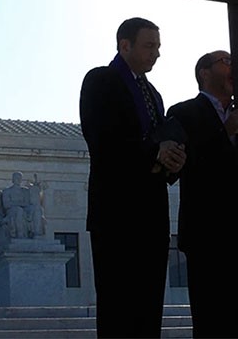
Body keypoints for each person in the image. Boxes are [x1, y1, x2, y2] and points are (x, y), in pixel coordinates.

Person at [79, 17, 185, 338]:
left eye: (158, 47)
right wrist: (155, 152)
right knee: (117, 308)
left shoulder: (153, 94)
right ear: (125, 45)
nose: (157, 53)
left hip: (151, 216)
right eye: (149, 46)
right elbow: (102, 142)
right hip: (115, 215)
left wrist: (173, 160)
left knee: (148, 309)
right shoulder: (101, 80)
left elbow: (158, 142)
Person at [166, 50, 238, 338]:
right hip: (207, 234)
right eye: (225, 61)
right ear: (204, 72)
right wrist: (225, 131)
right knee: (213, 320)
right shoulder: (182, 112)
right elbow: (182, 166)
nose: (233, 66)